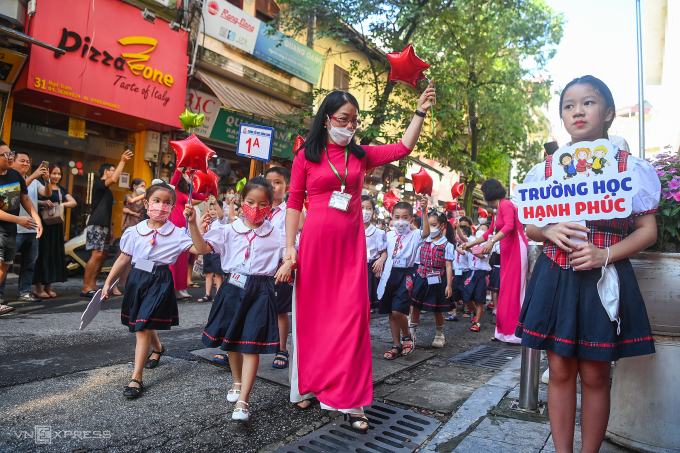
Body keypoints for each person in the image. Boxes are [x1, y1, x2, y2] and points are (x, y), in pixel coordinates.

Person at [516, 76, 659, 453]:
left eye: (588, 102)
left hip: (603, 274)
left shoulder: (629, 167)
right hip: (555, 274)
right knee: (560, 370)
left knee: (596, 374)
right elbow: (529, 227)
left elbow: (647, 231)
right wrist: (549, 230)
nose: (577, 111)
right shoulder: (546, 170)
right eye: (568, 105)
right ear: (562, 115)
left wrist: (604, 254)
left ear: (608, 112)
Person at [284, 85, 436, 432]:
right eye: (343, 120)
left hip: (351, 252)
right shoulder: (306, 156)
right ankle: (311, 384)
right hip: (314, 249)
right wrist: (289, 247)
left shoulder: (361, 156)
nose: (350, 127)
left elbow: (403, 148)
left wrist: (420, 111)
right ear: (327, 119)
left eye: (354, 121)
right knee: (313, 320)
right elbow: (294, 202)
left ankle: (353, 402)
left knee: (353, 321)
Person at [185, 177, 293, 421]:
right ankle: (236, 381)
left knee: (251, 345)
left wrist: (288, 263)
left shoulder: (277, 234)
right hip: (232, 287)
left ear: (270, 206)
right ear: (241, 201)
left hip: (261, 290)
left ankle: (244, 400)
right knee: (231, 341)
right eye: (249, 201)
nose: (255, 208)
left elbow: (292, 253)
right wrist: (193, 224)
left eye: (262, 204)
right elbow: (200, 249)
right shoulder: (227, 230)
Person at [102, 181, 198, 399]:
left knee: (142, 326)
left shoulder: (176, 232)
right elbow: (123, 258)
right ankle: (158, 349)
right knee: (142, 321)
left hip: (160, 279)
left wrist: (192, 224)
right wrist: (108, 283)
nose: (161, 206)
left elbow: (199, 249)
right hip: (137, 278)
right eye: (156, 201)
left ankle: (136, 378)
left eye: (167, 203)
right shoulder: (134, 231)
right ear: (146, 203)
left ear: (173, 208)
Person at [464, 178, 527, 342]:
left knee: (514, 291)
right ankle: (504, 332)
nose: (483, 195)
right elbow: (489, 232)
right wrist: (470, 243)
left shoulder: (506, 205)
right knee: (505, 290)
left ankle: (515, 332)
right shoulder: (498, 208)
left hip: (516, 250)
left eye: (484, 192)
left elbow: (509, 226)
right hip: (507, 251)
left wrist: (491, 242)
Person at [265, 167, 305, 370]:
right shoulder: (256, 208)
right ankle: (239, 346)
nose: (272, 186)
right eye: (268, 181)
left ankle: (282, 348)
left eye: (278, 182)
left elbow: (302, 234)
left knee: (280, 309)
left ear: (287, 187)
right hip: (258, 266)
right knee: (249, 305)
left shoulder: (291, 211)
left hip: (280, 266)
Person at [380, 198, 429, 358]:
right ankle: (396, 345)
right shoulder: (388, 235)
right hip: (389, 274)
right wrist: (381, 259)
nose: (400, 221)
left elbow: (426, 233)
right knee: (391, 312)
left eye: (405, 217)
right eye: (397, 217)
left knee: (398, 310)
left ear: (411, 220)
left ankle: (407, 335)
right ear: (392, 218)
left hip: (406, 274)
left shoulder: (415, 235)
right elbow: (383, 252)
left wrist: (424, 209)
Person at [81, 149, 133, 297]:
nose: (114, 172)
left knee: (103, 255)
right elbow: (114, 179)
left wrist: (110, 228)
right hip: (96, 224)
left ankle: (92, 284)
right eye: (112, 170)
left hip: (104, 225)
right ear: (106, 172)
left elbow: (108, 210)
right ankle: (85, 287)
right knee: (96, 254)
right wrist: (122, 161)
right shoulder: (99, 184)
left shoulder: (108, 192)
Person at [0, 141, 43, 315]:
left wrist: (36, 218)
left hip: (11, 230)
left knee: (5, 266)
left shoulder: (16, 176)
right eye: (6, 155)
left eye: (11, 153)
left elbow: (24, 198)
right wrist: (19, 219)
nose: (10, 157)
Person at [409, 211, 455, 348]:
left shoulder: (447, 244)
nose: (431, 228)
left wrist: (449, 285)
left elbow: (448, 265)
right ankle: (412, 333)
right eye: (428, 225)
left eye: (434, 225)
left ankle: (439, 335)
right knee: (415, 306)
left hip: (438, 279)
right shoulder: (422, 239)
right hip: (421, 277)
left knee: (437, 309)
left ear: (442, 226)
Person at [32, 164, 77, 298]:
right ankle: (38, 287)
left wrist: (61, 205)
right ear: (47, 174)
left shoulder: (61, 189)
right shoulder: (40, 186)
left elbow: (73, 202)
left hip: (56, 225)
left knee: (53, 255)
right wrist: (42, 203)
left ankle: (48, 286)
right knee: (42, 254)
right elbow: (31, 200)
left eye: (59, 174)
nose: (56, 176)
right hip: (43, 224)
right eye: (53, 173)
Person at [169, 169, 206, 300]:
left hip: (185, 228)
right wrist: (179, 169)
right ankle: (171, 288)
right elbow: (174, 180)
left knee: (183, 259)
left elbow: (202, 197)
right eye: (185, 174)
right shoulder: (171, 189)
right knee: (173, 260)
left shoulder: (186, 192)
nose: (186, 176)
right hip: (172, 227)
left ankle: (180, 289)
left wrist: (202, 185)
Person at [117, 178, 147, 289]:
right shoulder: (128, 197)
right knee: (124, 258)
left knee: (140, 257)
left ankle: (139, 282)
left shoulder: (144, 201)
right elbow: (131, 201)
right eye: (142, 186)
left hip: (140, 231)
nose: (143, 188)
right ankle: (115, 284)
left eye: (144, 186)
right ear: (135, 186)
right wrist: (144, 196)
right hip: (128, 230)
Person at [462, 225, 492, 333]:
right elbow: (462, 237)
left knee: (479, 299)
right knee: (466, 296)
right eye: (481, 229)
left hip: (482, 274)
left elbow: (481, 256)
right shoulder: (471, 240)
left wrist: (469, 249)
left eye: (484, 230)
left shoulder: (488, 244)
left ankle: (477, 322)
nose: (482, 231)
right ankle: (474, 311)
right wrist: (457, 227)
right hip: (471, 273)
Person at [362, 195, 387, 312]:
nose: (365, 211)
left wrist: (381, 261)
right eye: (362, 207)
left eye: (369, 208)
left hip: (370, 268)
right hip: (355, 267)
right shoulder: (350, 229)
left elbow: (384, 252)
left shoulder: (378, 233)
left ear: (373, 212)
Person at [197, 200, 223, 303]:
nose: (212, 211)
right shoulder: (209, 222)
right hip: (208, 251)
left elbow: (221, 215)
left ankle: (218, 294)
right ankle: (207, 294)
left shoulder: (220, 221)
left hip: (217, 251)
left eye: (215, 209)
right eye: (211, 209)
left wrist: (215, 203)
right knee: (208, 273)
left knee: (218, 273)